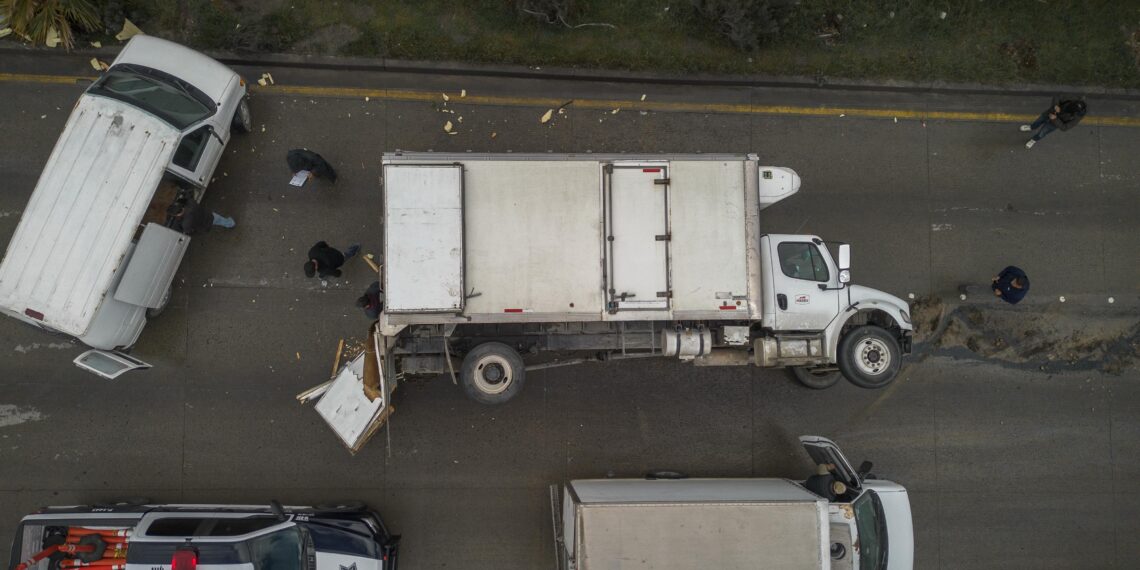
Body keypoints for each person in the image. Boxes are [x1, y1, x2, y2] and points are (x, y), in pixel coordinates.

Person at [1022, 96, 1086, 149]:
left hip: (1054, 124)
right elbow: (1058, 97)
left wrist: (1055, 119)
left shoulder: (1077, 117)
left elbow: (1065, 127)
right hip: (1049, 113)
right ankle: (1031, 127)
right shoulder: (1073, 99)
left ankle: (1033, 140)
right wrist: (1056, 105)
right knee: (1038, 121)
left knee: (1042, 133)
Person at [958, 266, 1029, 305]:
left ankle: (966, 288)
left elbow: (1013, 302)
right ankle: (967, 288)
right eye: (1013, 280)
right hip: (998, 281)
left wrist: (1001, 295)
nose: (1012, 282)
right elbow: (1009, 268)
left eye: (1014, 284)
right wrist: (999, 276)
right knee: (982, 289)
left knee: (982, 290)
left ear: (1019, 287)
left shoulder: (1018, 295)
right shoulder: (1019, 273)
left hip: (996, 290)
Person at [168, 198, 235, 236]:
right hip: (209, 215)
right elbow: (188, 199)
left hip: (204, 226)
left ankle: (230, 224)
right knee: (221, 220)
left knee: (218, 222)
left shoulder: (185, 224)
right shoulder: (191, 204)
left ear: (176, 215)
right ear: (181, 206)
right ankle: (231, 223)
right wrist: (181, 199)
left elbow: (189, 231)